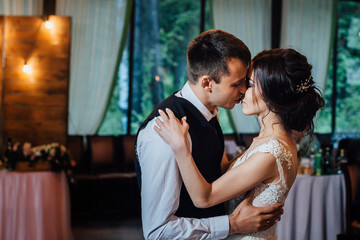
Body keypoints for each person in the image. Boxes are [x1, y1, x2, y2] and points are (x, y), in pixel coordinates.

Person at [154, 48, 325, 239]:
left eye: (250, 84)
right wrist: (212, 123)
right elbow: (229, 175)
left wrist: (180, 147)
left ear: (272, 95)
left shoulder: (272, 151)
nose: (242, 90)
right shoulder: (270, 141)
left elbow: (204, 198)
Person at [135, 30, 284, 239]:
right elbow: (158, 232)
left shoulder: (211, 112)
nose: (244, 90)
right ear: (207, 83)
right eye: (236, 83)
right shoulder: (164, 132)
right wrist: (232, 224)